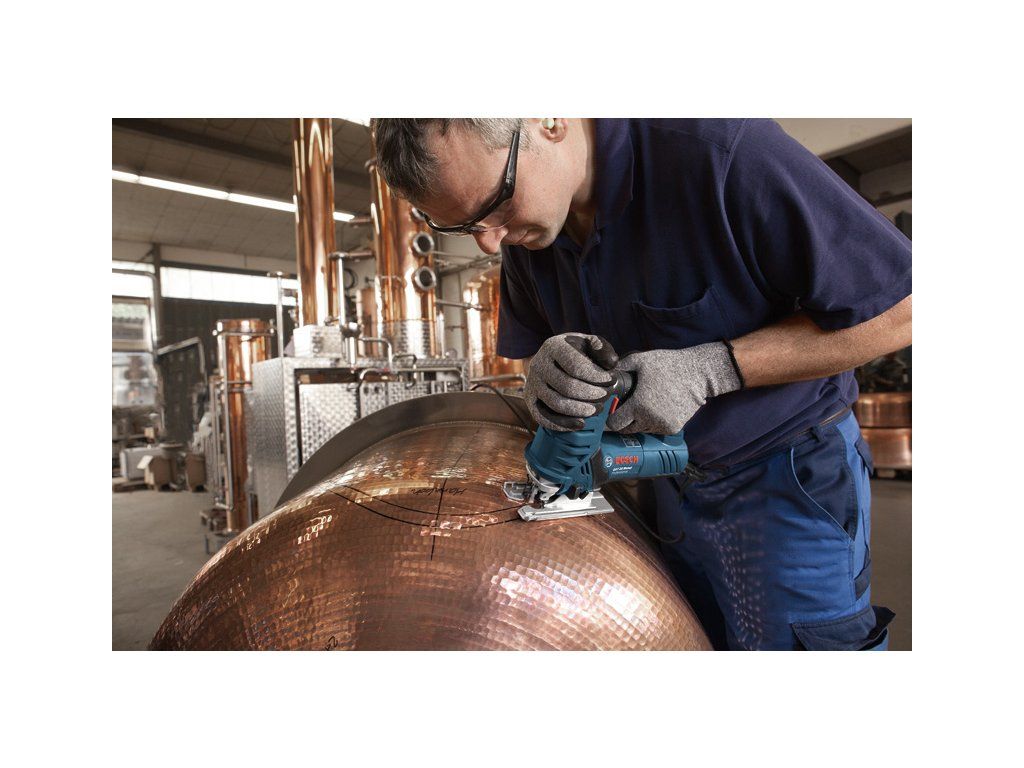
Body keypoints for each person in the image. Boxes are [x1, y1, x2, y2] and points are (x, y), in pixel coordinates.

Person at [370, 118, 912, 650]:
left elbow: (903, 311)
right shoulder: (522, 225)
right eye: (464, 227)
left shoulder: (722, 153)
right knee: (686, 642)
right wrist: (547, 374)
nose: (490, 244)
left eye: (494, 205)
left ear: (548, 121)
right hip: (665, 485)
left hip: (782, 475)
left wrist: (716, 368)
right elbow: (537, 345)